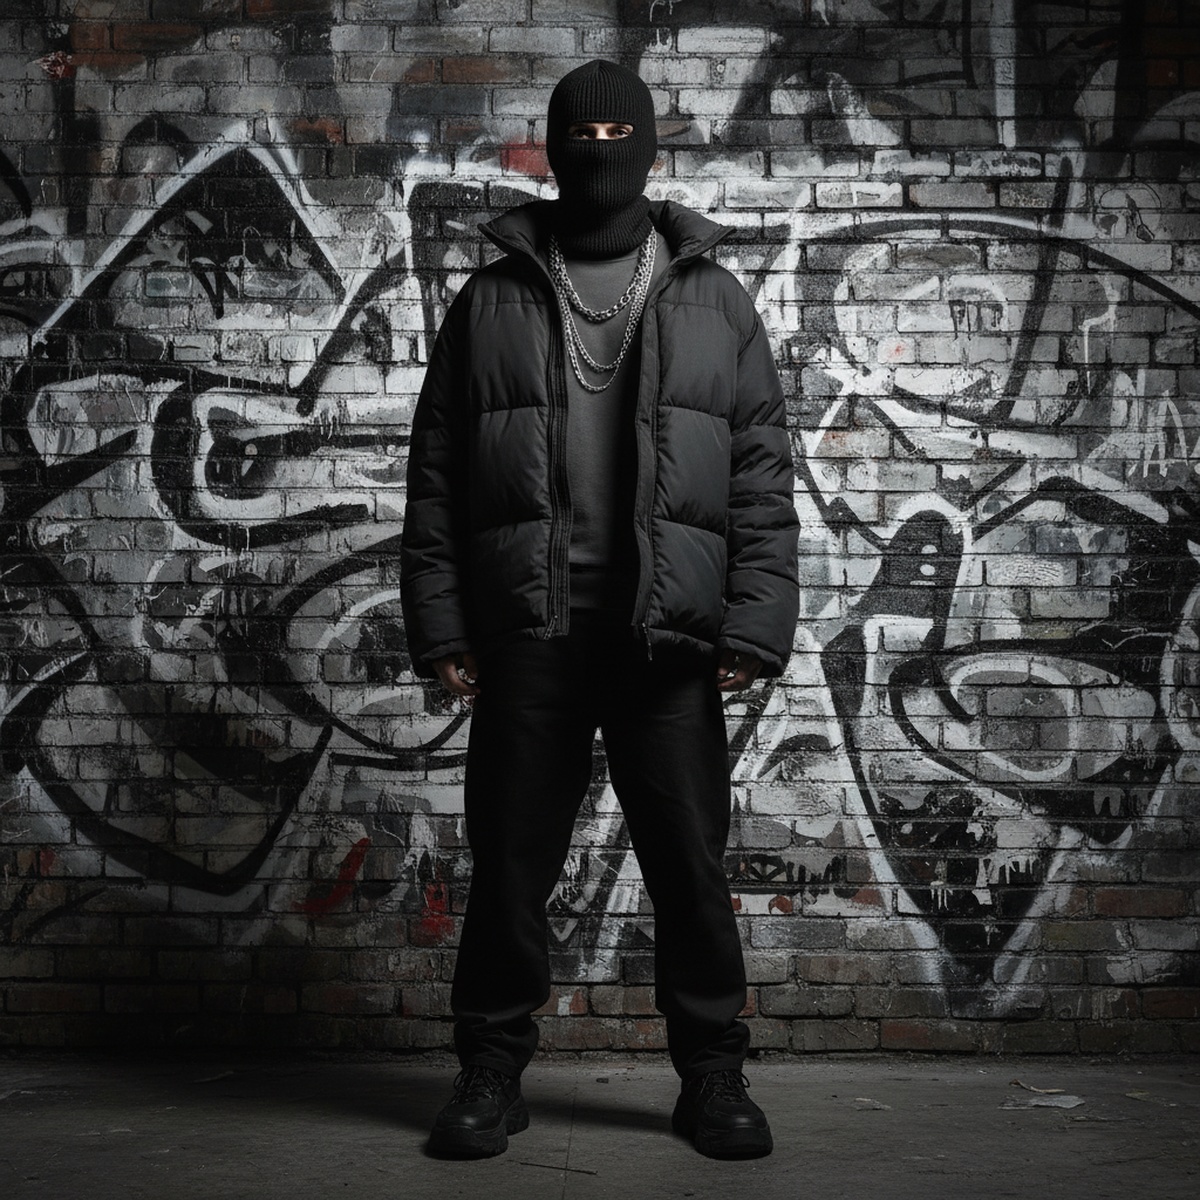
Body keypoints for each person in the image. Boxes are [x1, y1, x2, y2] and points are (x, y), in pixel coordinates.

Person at [399, 58, 798, 1160]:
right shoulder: (492, 298)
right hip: (529, 627)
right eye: (582, 137)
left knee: (687, 864)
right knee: (512, 864)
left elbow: (762, 470)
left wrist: (755, 626)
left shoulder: (713, 295)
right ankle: (489, 1071)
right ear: (556, 148)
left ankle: (713, 1077)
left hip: (666, 636)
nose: (600, 155)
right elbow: (435, 472)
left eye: (620, 136)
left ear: (650, 149)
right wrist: (440, 624)